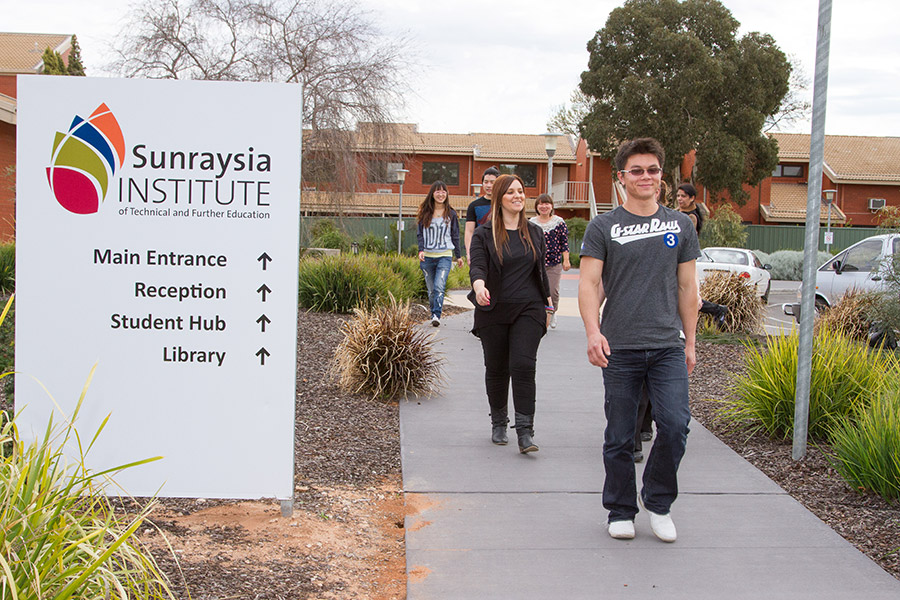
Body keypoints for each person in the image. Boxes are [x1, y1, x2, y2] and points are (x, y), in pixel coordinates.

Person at [578, 137, 699, 543]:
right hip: (621, 347)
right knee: (620, 434)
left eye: (652, 170)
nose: (645, 177)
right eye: (637, 170)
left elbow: (688, 289)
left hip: (666, 344)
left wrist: (691, 342)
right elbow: (590, 283)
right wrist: (593, 332)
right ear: (621, 178)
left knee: (675, 425)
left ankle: (659, 503)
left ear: (661, 177)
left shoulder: (680, 225)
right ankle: (620, 509)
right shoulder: (603, 227)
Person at [468, 174, 552, 453]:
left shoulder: (535, 232)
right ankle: (499, 422)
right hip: (493, 308)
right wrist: (479, 287)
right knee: (497, 368)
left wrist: (548, 304)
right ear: (499, 198)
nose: (518, 196)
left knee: (524, 365)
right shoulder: (484, 233)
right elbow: (477, 266)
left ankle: (525, 432)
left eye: (521, 191)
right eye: (511, 192)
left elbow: (540, 273)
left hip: (529, 308)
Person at [677, 183, 729, 328]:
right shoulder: (677, 213)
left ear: (692, 198)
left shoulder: (691, 218)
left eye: (683, 196)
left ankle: (717, 310)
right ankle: (717, 309)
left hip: (684, 260)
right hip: (676, 258)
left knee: (685, 294)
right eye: (678, 196)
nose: (680, 199)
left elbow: (686, 241)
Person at [417, 180, 463, 326]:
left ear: (447, 194)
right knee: (431, 290)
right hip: (428, 257)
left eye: (444, 191)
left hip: (445, 255)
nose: (441, 194)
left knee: (439, 286)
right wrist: (421, 250)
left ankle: (436, 315)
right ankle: (433, 313)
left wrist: (459, 256)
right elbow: (420, 234)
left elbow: (455, 235)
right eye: (438, 191)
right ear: (432, 193)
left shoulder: (451, 214)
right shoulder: (425, 213)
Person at [529, 194, 570, 329]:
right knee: (536, 290)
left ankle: (553, 312)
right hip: (535, 262)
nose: (544, 206)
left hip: (554, 262)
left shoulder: (559, 222)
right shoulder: (531, 223)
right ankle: (541, 314)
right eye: (540, 204)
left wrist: (566, 260)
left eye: (546, 203)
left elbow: (564, 243)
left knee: (552, 291)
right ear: (536, 206)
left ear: (551, 206)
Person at [464, 166, 500, 262]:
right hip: (480, 249)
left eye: (492, 182)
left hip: (500, 250)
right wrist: (469, 253)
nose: (488, 185)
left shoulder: (504, 204)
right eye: (486, 182)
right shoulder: (474, 206)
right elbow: (469, 231)